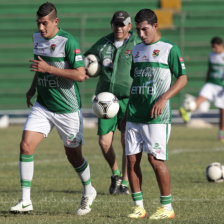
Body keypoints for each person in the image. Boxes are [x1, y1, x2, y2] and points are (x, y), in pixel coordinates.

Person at [10, 2, 96, 216]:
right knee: (26, 145)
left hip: (67, 109)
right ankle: (25, 201)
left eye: (44, 23)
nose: (41, 28)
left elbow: (80, 75)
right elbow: (40, 66)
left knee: (73, 156)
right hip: (44, 105)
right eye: (38, 23)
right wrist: (32, 88)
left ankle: (88, 189)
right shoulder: (37, 38)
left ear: (56, 22)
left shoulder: (68, 41)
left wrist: (49, 69)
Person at [123, 9, 187, 219]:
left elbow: (182, 78)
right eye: (138, 30)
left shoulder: (169, 49)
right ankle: (138, 206)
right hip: (134, 114)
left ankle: (167, 207)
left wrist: (163, 98)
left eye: (145, 29)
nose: (141, 34)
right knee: (132, 160)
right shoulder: (136, 50)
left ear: (155, 26)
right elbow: (137, 81)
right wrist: (126, 113)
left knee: (155, 160)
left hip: (157, 117)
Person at [84, 11, 141, 195]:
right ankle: (115, 174)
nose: (119, 28)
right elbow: (87, 59)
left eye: (122, 24)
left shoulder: (137, 44)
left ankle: (124, 182)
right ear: (112, 25)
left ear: (129, 26)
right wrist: (88, 67)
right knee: (104, 142)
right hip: (105, 100)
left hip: (128, 99)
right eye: (116, 24)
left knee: (126, 141)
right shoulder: (103, 43)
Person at [179, 36, 224, 141]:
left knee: (222, 110)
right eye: (212, 47)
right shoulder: (211, 55)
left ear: (221, 46)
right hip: (211, 83)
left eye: (215, 47)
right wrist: (206, 81)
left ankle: (221, 132)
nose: (214, 49)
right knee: (198, 101)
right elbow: (210, 69)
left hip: (221, 86)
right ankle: (187, 111)